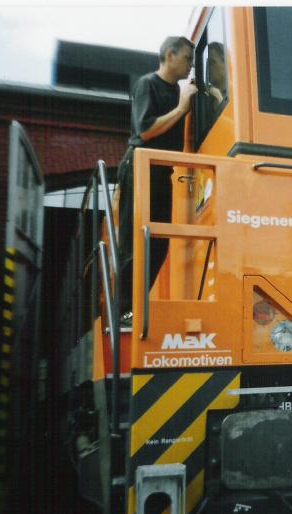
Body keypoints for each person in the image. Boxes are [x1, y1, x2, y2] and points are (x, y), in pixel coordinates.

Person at [117, 36, 197, 322]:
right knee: (134, 240)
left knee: (159, 243)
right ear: (170, 55)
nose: (191, 65)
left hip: (162, 171)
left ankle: (135, 306)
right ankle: (122, 310)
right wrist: (181, 109)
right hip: (140, 167)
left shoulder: (178, 91)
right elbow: (146, 130)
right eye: (187, 58)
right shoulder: (147, 84)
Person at [206, 41, 227, 106]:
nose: (208, 68)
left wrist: (219, 99)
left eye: (211, 62)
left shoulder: (238, 93)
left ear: (224, 61)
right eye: (207, 64)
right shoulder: (204, 96)